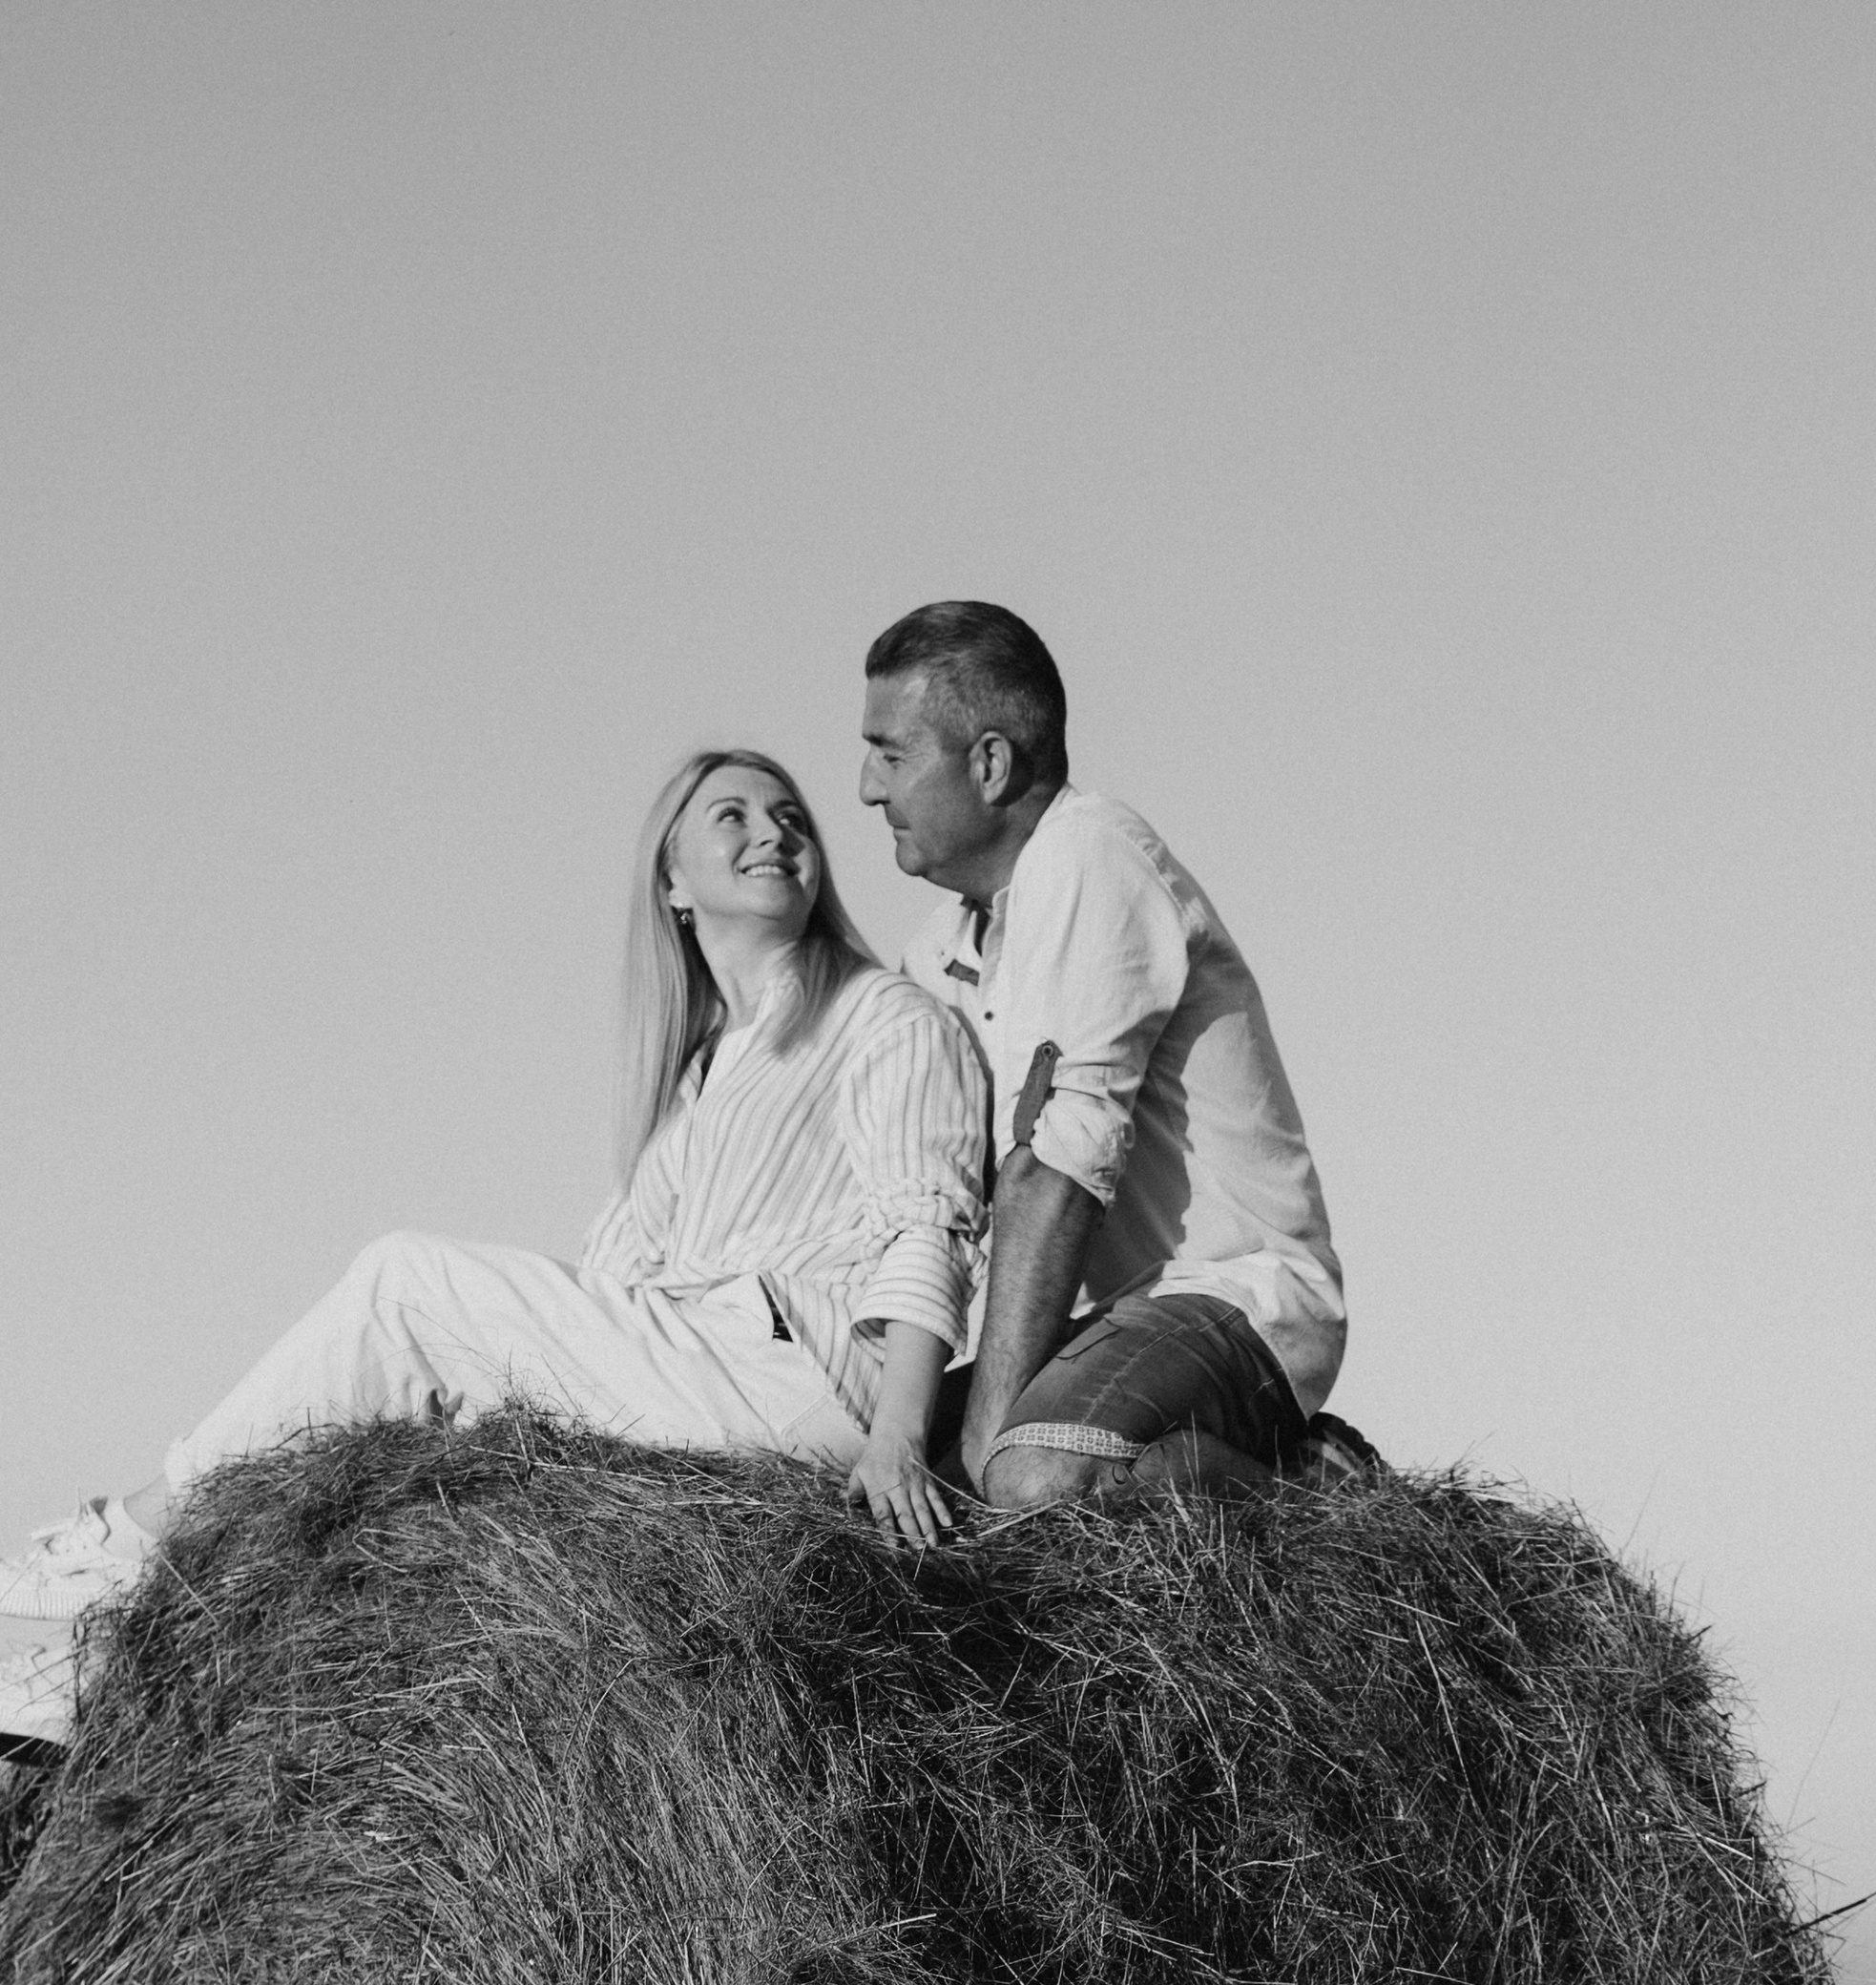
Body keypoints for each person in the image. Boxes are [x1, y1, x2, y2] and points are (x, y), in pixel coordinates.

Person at [0, 749, 989, 1751]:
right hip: (702, 1373)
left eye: (790, 817)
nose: (774, 833)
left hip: (799, 1377)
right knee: (409, 1455)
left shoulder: (886, 1017)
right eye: (732, 816)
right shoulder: (694, 1085)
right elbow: (602, 1293)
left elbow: (929, 1224)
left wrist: (900, 1436)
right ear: (672, 883)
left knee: (403, 1286)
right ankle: (106, 1681)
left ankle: (128, 1542)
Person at [858, 601, 1350, 1506]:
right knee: (861, 1463)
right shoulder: (937, 955)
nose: (865, 787)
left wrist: (982, 1446)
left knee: (1028, 1477)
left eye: (891, 754)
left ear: (991, 763)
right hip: (1106, 1326)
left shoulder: (1090, 857)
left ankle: (1316, 1492)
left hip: (1236, 1301)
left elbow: (1056, 1170)